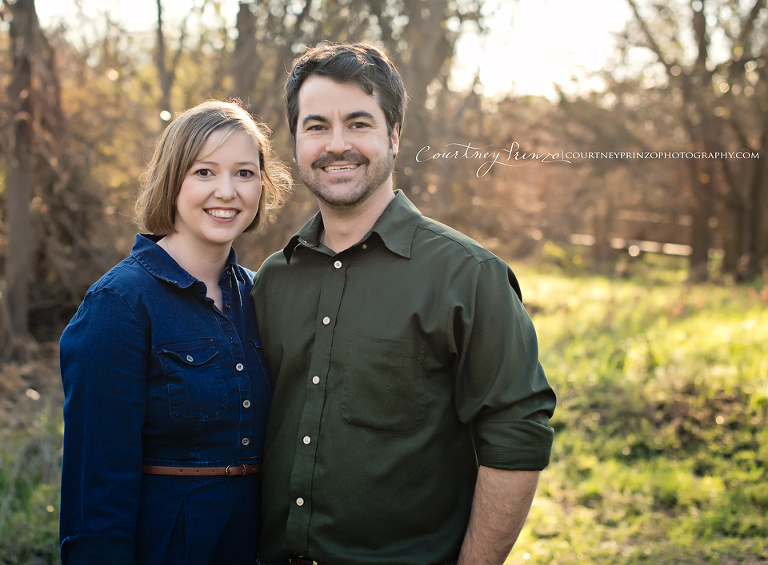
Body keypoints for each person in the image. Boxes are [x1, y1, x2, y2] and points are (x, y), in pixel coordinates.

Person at [253, 43, 557, 565]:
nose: (337, 144)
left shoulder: (468, 276)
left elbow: (517, 434)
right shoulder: (272, 281)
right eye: (317, 126)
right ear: (297, 141)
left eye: (359, 123)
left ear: (394, 135)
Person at [59, 100, 291, 564]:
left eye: (244, 173)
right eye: (204, 172)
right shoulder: (121, 304)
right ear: (172, 180)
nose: (227, 191)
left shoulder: (256, 294)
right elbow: (96, 491)